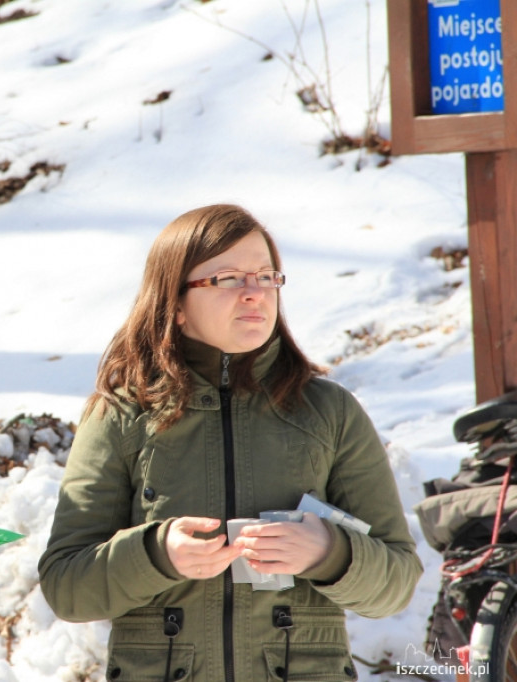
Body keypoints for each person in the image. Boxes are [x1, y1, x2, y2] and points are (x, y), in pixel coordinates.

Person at [37, 205, 422, 682]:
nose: (254, 293)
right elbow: (65, 587)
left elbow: (399, 581)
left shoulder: (330, 411)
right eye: (228, 279)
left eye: (266, 277)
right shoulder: (121, 415)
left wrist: (329, 552)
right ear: (175, 304)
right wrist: (157, 555)